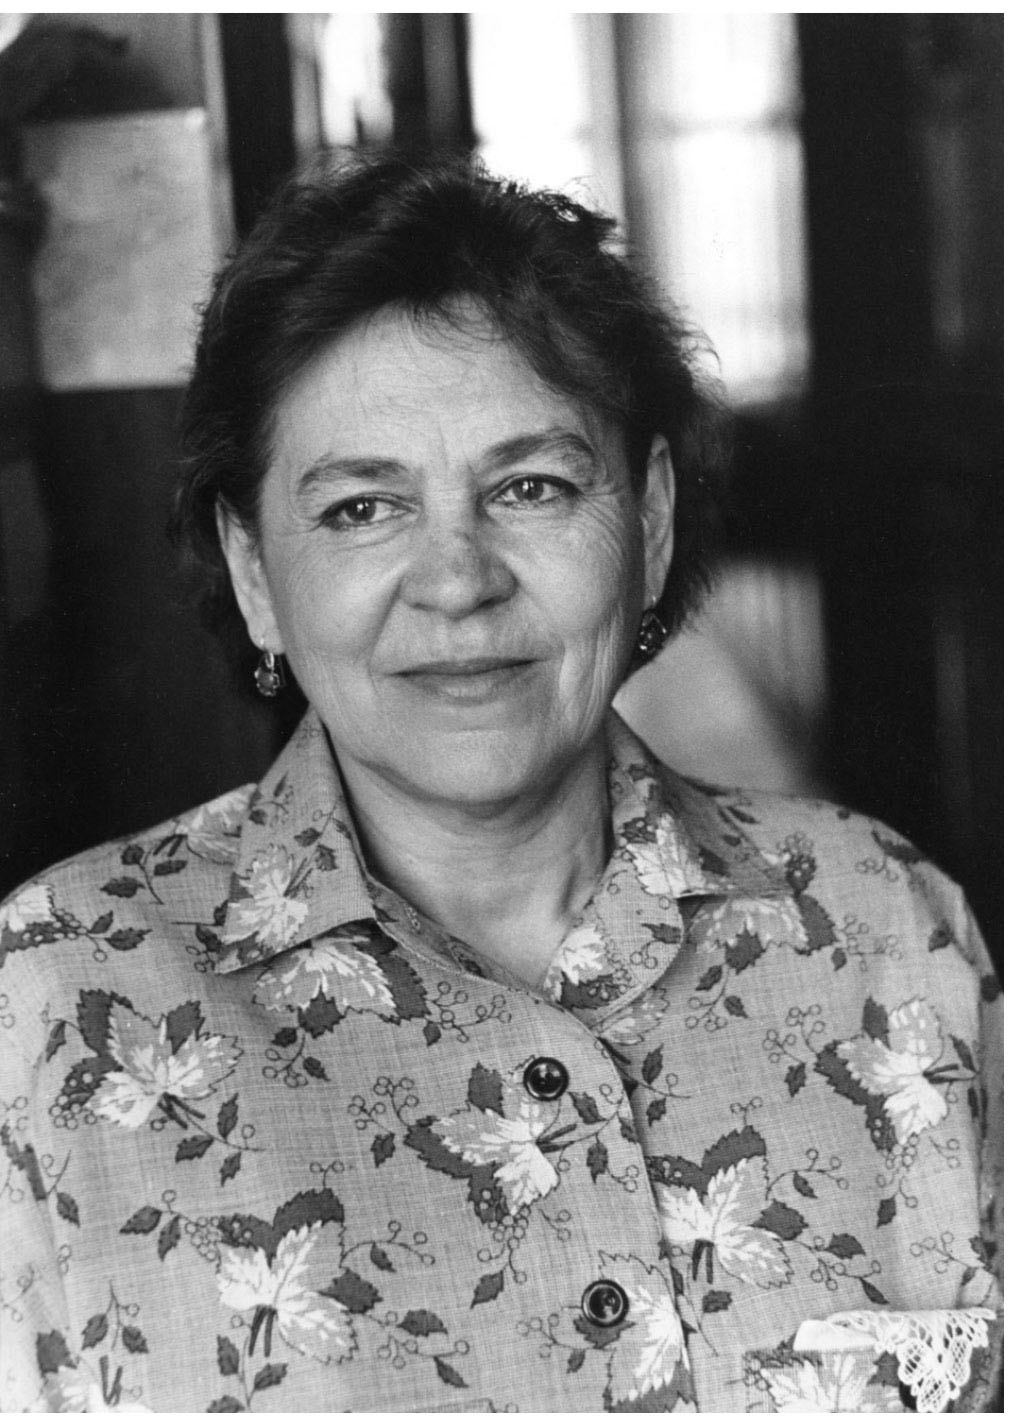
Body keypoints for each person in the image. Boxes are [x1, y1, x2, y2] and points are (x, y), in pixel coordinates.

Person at [0, 154, 1000, 1413]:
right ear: (254, 573)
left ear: (649, 523)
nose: (459, 579)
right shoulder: (51, 1004)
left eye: (531, 488)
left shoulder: (889, 926)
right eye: (362, 509)